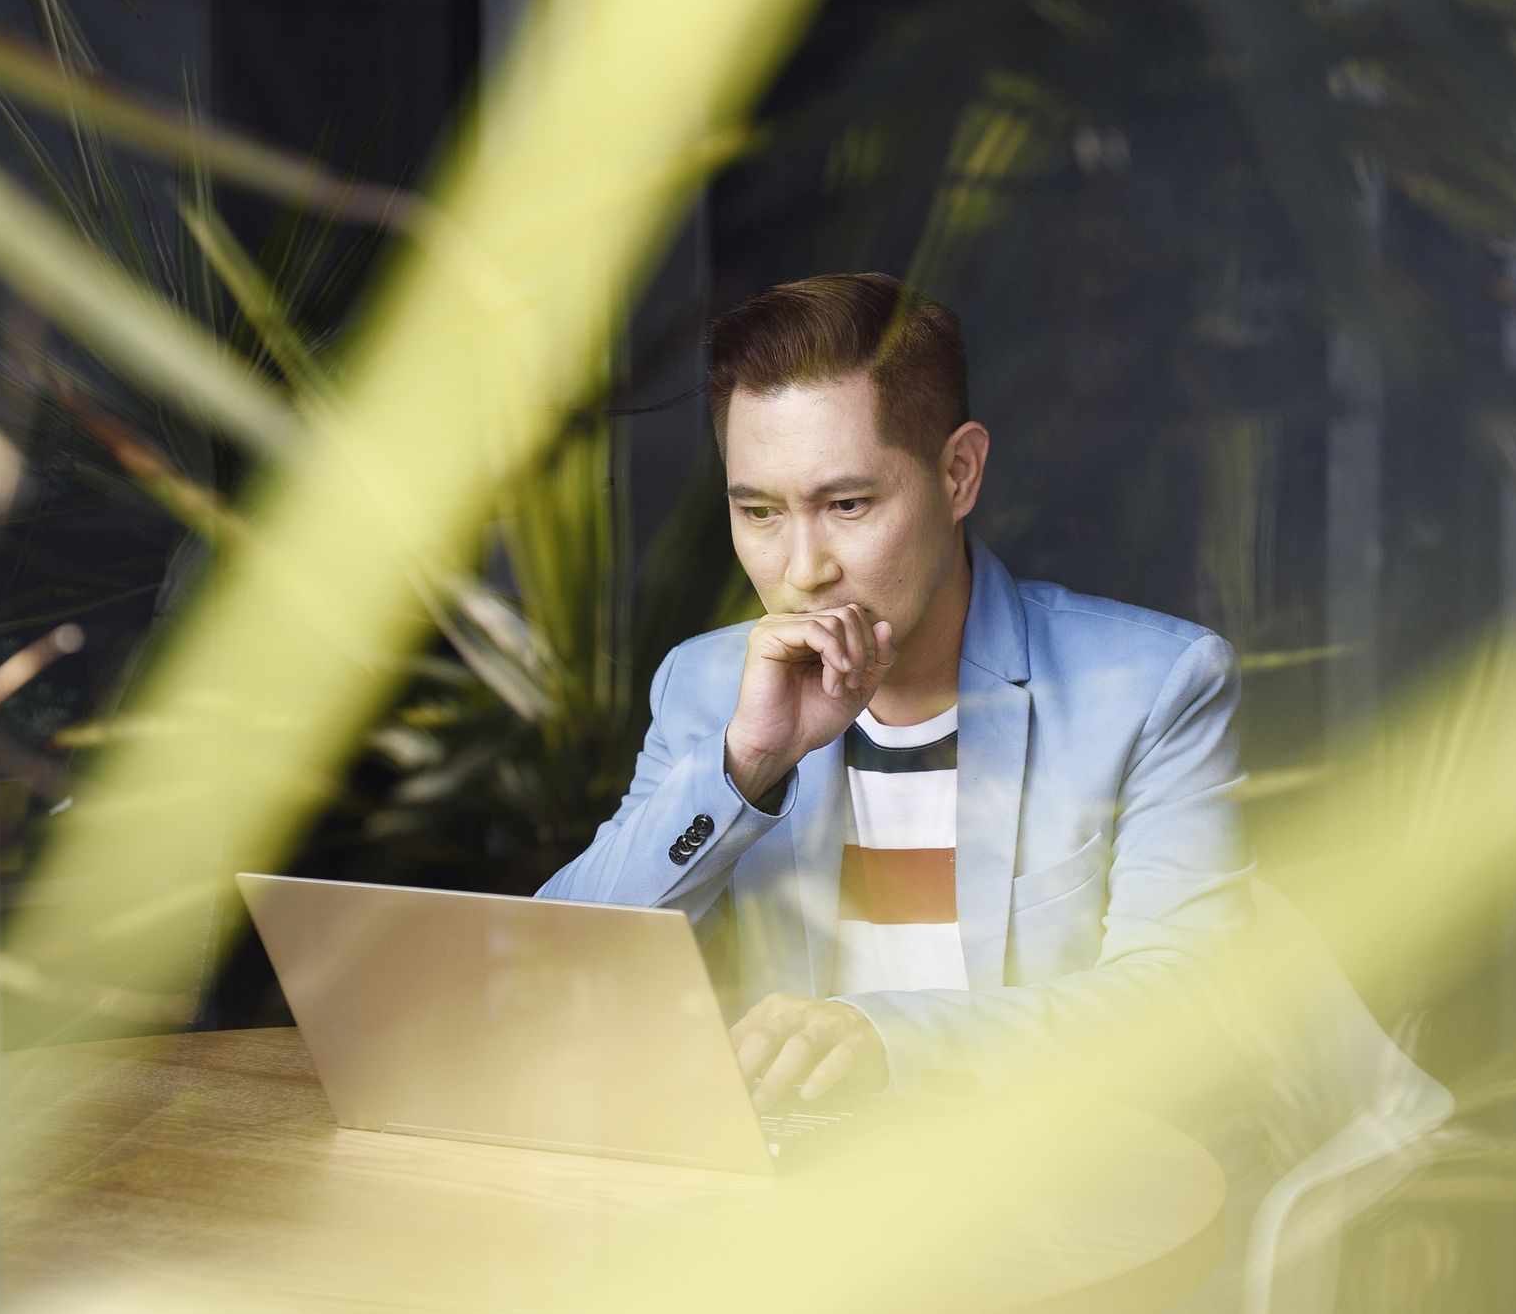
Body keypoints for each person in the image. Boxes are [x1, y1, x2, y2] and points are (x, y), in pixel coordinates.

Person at [537, 271, 1254, 1111]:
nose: (803, 571)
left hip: (1048, 1178)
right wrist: (745, 763)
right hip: (791, 1199)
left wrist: (885, 1039)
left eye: (846, 503)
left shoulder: (1149, 687)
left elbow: (1184, 1004)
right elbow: (559, 964)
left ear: (957, 473)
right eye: (759, 513)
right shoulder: (707, 684)